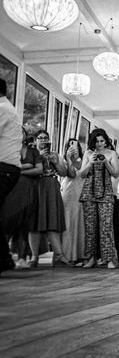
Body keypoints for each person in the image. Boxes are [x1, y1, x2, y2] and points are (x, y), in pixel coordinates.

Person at [0, 127, 42, 268]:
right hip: (12, 189)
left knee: (25, 223)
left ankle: (23, 257)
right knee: (8, 220)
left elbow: (39, 169)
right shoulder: (8, 148)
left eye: (22, 132)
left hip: (28, 189)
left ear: (25, 135)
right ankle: (5, 257)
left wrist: (19, 170)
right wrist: (26, 166)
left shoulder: (33, 151)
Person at [79, 128, 119, 269]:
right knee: (90, 228)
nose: (99, 144)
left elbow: (115, 173)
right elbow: (82, 174)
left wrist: (105, 162)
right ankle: (91, 258)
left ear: (106, 141)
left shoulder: (112, 153)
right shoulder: (88, 153)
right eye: (96, 141)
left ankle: (109, 258)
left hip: (106, 192)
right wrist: (90, 162)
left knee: (106, 227)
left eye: (102, 141)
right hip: (89, 192)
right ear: (92, 142)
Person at [29, 130, 71, 267]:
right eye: (40, 138)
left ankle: (59, 255)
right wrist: (39, 157)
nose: (43, 140)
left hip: (51, 186)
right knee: (34, 223)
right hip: (36, 187)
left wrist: (56, 162)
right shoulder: (31, 154)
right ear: (35, 140)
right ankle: (34, 257)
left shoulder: (55, 154)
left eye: (45, 138)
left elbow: (64, 173)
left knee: (53, 222)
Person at [0, 78, 23, 277]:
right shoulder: (8, 108)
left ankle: (4, 259)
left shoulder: (3, 109)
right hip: (8, 167)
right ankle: (4, 258)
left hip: (4, 167)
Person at [59, 138, 86, 264]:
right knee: (68, 222)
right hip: (69, 192)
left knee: (80, 222)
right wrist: (69, 159)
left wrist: (75, 159)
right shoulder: (63, 161)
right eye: (70, 145)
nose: (73, 147)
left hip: (82, 192)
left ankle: (81, 253)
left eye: (76, 145)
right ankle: (68, 254)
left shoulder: (83, 160)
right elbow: (71, 174)